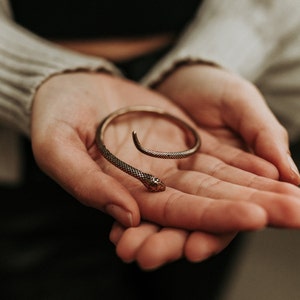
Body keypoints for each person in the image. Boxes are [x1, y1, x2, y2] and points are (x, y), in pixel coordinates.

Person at [1, 0, 300, 299]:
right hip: (21, 150)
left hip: (192, 59)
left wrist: (214, 55)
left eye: (154, 183)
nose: (157, 184)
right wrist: (29, 73)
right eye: (154, 182)